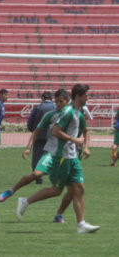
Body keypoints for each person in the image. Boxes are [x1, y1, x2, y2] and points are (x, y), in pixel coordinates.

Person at [16, 84, 100, 233]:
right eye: (86, 95)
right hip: (62, 157)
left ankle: (81, 224)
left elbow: (85, 131)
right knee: (56, 190)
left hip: (72, 157)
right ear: (77, 96)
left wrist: (84, 147)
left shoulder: (77, 112)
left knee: (79, 188)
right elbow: (55, 131)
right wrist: (74, 140)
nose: (88, 97)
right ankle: (25, 201)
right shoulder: (67, 112)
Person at [0, 89, 73, 223]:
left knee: (70, 189)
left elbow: (85, 130)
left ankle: (58, 215)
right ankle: (11, 191)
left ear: (68, 101)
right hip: (52, 152)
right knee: (36, 174)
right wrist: (28, 148)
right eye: (56, 102)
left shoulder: (74, 115)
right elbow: (36, 132)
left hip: (68, 157)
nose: (58, 104)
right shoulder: (51, 115)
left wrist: (84, 147)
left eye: (61, 102)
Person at [27, 91, 55, 184]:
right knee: (52, 156)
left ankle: (37, 178)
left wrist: (33, 130)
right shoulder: (55, 107)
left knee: (37, 157)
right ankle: (55, 176)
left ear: (42, 98)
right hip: (52, 136)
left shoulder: (38, 107)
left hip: (39, 136)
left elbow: (30, 121)